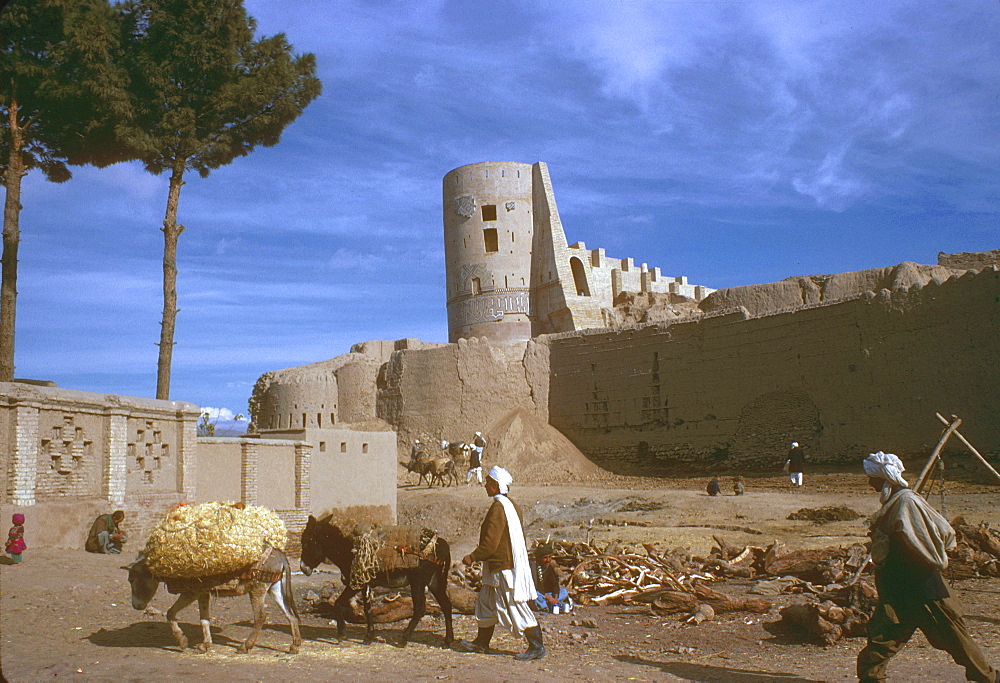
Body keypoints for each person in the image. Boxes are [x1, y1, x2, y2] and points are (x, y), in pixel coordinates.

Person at [856, 451, 998, 683]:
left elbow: (929, 537)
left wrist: (920, 560)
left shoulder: (906, 502)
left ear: (883, 478)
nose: (869, 482)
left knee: (957, 639)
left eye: (872, 477)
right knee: (883, 638)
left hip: (924, 588)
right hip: (899, 590)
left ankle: (988, 678)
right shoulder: (896, 501)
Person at [456, 465, 545, 661]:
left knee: (514, 606)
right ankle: (481, 643)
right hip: (500, 565)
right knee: (486, 603)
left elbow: (490, 544)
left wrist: (472, 556)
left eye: (488, 483)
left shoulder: (498, 509)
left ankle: (536, 646)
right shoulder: (510, 505)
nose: (485, 486)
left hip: (503, 567)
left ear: (496, 486)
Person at [532, 544, 572, 614]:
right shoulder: (533, 568)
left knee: (564, 591)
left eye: (549, 557)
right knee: (535, 595)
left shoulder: (549, 567)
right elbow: (535, 588)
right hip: (540, 595)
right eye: (545, 558)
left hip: (547, 595)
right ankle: (547, 607)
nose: (548, 560)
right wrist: (549, 598)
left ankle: (550, 605)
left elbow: (555, 584)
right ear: (539, 558)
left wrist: (555, 598)